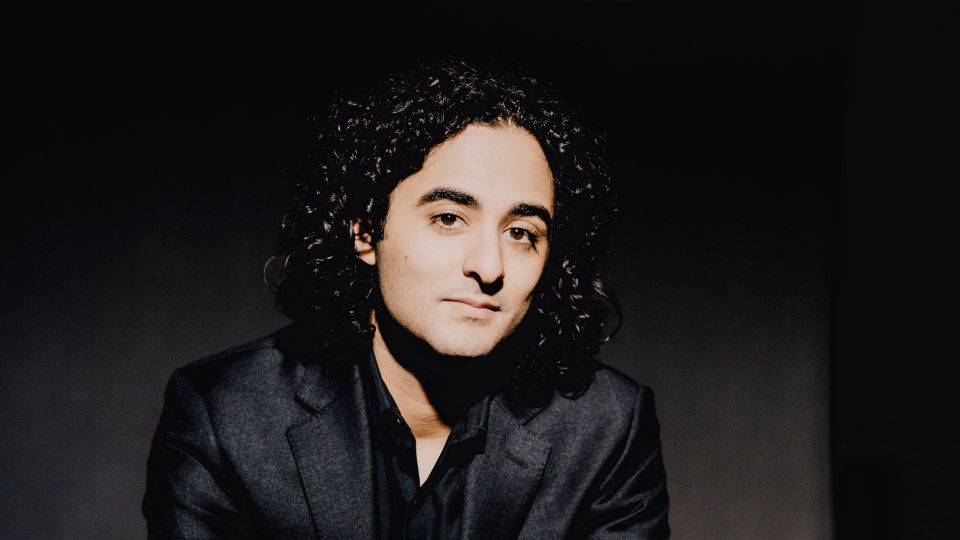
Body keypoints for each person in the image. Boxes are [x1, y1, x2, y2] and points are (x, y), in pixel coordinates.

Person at [142, 59, 670, 539]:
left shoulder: (608, 428)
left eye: (521, 232)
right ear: (365, 231)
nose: (489, 267)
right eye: (449, 218)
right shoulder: (224, 414)